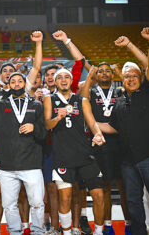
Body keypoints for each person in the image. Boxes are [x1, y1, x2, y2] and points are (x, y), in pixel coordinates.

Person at [97, 27, 149, 235]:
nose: (130, 78)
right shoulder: (120, 102)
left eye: (134, 75)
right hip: (127, 160)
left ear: (141, 77)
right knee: (133, 202)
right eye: (126, 76)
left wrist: (144, 42)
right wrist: (89, 123)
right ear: (122, 79)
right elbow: (112, 126)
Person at [0, 72, 47, 235]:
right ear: (8, 84)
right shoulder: (0, 105)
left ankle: (37, 231)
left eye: (19, 81)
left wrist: (34, 128)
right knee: (9, 204)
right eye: (12, 81)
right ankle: (14, 231)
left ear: (24, 83)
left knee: (37, 203)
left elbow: (44, 134)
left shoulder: (36, 105)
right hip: (6, 166)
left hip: (31, 164)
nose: (16, 84)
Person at [44, 68, 105, 235]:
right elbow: (46, 125)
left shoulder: (81, 100)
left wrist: (98, 133)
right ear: (55, 82)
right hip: (62, 156)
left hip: (84, 155)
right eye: (60, 78)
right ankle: (67, 231)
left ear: (71, 81)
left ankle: (98, 232)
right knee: (65, 198)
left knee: (98, 195)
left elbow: (92, 123)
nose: (63, 80)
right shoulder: (49, 99)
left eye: (67, 77)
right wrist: (57, 118)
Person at [80, 63, 131, 235]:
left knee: (125, 187)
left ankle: (129, 224)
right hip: (101, 144)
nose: (104, 73)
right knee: (106, 186)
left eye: (107, 71)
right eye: (100, 71)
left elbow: (132, 90)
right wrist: (89, 76)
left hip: (121, 143)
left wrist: (120, 74)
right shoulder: (93, 91)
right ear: (96, 75)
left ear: (112, 75)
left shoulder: (120, 90)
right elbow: (83, 99)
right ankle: (108, 225)